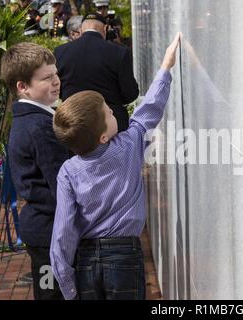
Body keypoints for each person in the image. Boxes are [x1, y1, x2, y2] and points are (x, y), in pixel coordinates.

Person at [50, 33, 181, 300]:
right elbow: (149, 109)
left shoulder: (68, 171)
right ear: (103, 136)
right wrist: (166, 67)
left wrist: (68, 286)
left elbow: (62, 233)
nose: (113, 111)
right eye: (109, 112)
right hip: (124, 258)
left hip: (85, 260)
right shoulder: (128, 146)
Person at [0, 42, 70, 300]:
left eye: (56, 74)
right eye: (46, 78)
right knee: (52, 293)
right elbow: (61, 183)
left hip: (44, 228)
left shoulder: (33, 119)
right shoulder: (39, 126)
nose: (56, 82)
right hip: (49, 231)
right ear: (23, 87)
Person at [54, 13, 139, 132]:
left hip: (74, 123)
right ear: (105, 29)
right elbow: (130, 93)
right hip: (111, 124)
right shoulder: (119, 52)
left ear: (81, 29)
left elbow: (58, 88)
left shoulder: (60, 52)